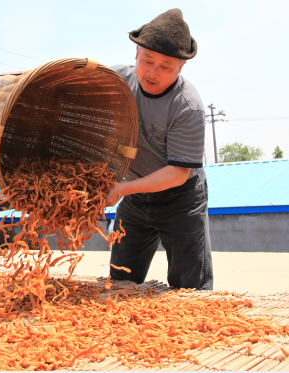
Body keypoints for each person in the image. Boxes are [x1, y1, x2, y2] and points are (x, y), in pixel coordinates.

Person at [106, 8, 213, 290]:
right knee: (121, 279)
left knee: (189, 286)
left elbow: (178, 172)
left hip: (180, 198)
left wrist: (121, 190)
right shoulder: (117, 81)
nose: (153, 73)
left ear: (181, 66)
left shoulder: (186, 106)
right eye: (147, 60)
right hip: (136, 195)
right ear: (136, 54)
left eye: (165, 66)